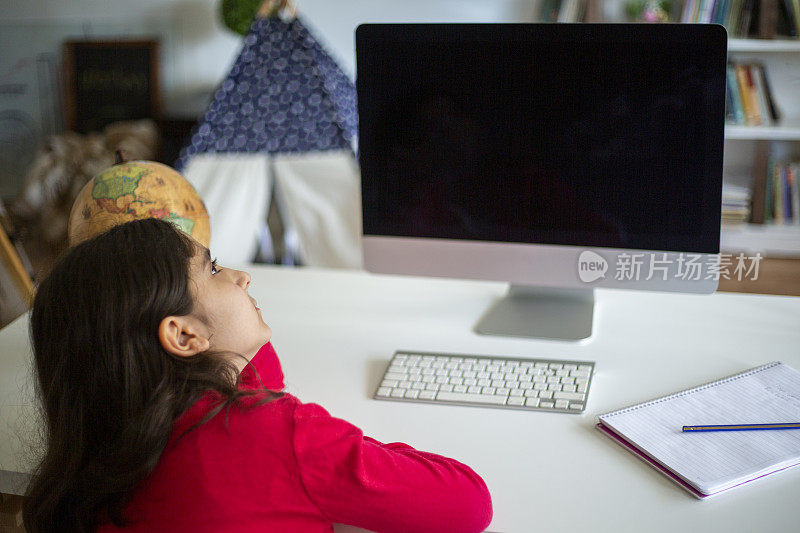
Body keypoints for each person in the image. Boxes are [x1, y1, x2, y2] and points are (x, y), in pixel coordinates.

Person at [22, 218, 492, 533]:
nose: (242, 277)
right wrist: (363, 449)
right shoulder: (280, 435)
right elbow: (469, 503)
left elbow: (264, 380)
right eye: (213, 268)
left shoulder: (103, 444)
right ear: (183, 336)